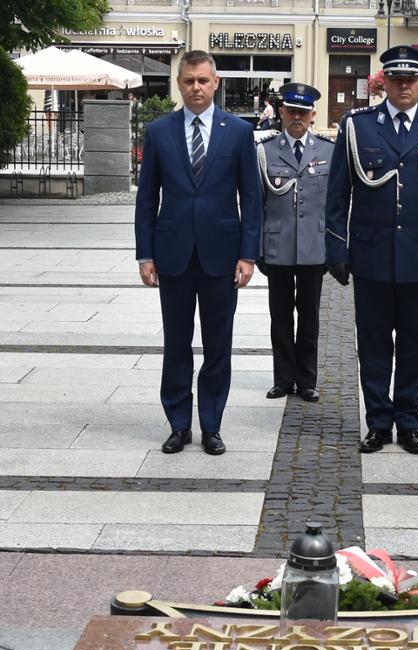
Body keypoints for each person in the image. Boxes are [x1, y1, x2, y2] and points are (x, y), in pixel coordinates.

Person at [326, 45, 418, 455]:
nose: (404, 85)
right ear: (383, 82)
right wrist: (336, 247)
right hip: (371, 257)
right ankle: (377, 422)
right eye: (396, 79)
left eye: (411, 79)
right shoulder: (359, 127)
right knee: (372, 345)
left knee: (414, 345)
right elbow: (338, 195)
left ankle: (408, 421)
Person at [134, 50, 262, 456]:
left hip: (222, 256)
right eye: (189, 81)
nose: (196, 88)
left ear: (216, 82)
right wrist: (144, 254)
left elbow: (252, 198)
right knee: (176, 344)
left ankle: (211, 424)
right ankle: (177, 424)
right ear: (179, 83)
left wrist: (248, 254)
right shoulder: (159, 132)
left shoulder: (239, 132)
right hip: (172, 255)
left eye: (203, 81)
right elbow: (146, 200)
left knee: (218, 345)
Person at [257, 82, 330, 403]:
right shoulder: (265, 151)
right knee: (280, 316)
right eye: (292, 111)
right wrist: (256, 247)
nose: (297, 117)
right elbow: (255, 203)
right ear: (282, 112)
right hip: (279, 247)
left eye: (303, 112)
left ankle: (307, 380)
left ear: (313, 115)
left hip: (315, 247)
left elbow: (337, 205)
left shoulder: (328, 151)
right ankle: (283, 379)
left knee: (310, 317)